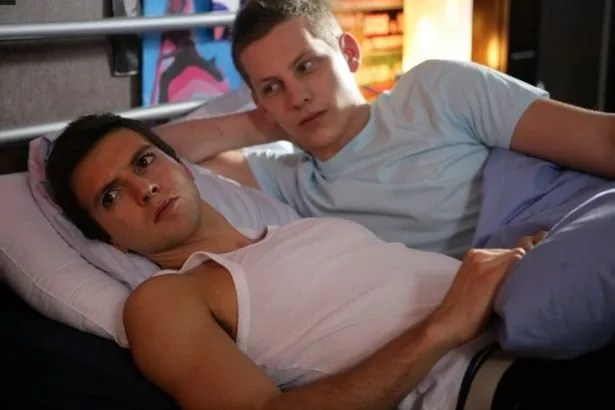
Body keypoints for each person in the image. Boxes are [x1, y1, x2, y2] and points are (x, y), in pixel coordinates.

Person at [45, 113, 531, 409]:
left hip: (528, 316)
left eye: (145, 161)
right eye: (111, 196)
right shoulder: (167, 298)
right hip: (491, 377)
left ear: (185, 168)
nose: (144, 188)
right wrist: (445, 325)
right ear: (109, 241)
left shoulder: (294, 228)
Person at [156, 0, 615, 259]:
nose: (297, 97)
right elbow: (152, 152)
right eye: (273, 87)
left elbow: (601, 139)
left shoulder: (437, 90)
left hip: (569, 239)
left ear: (349, 54)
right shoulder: (292, 181)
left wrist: (276, 105)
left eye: (307, 66)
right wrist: (261, 121)